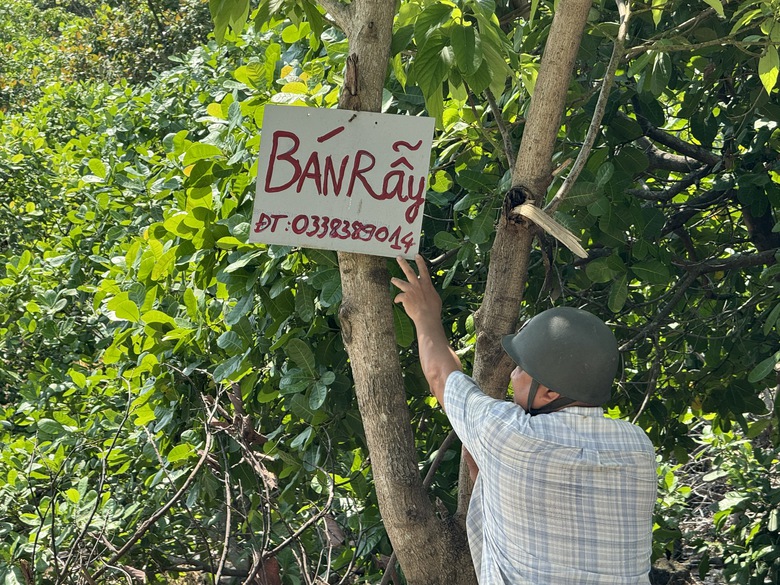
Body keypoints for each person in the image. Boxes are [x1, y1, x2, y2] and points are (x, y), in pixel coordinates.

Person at [392, 254, 657, 585]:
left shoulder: (511, 435)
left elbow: (440, 376)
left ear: (547, 393)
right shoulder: (638, 447)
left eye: (522, 369)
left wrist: (426, 315)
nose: (513, 373)